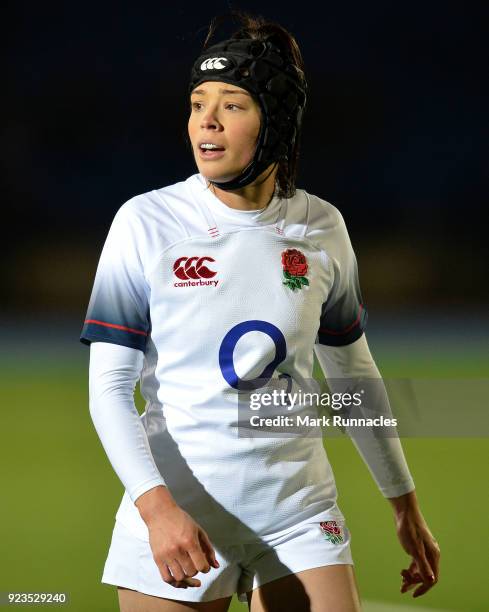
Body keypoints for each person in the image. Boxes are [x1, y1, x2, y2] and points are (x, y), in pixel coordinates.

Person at [80, 11, 440, 612]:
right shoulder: (147, 222)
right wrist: (157, 510)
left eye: (232, 104)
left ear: (276, 121)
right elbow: (109, 388)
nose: (207, 122)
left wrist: (403, 504)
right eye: (198, 103)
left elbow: (352, 376)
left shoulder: (322, 228)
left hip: (299, 512)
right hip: (181, 511)